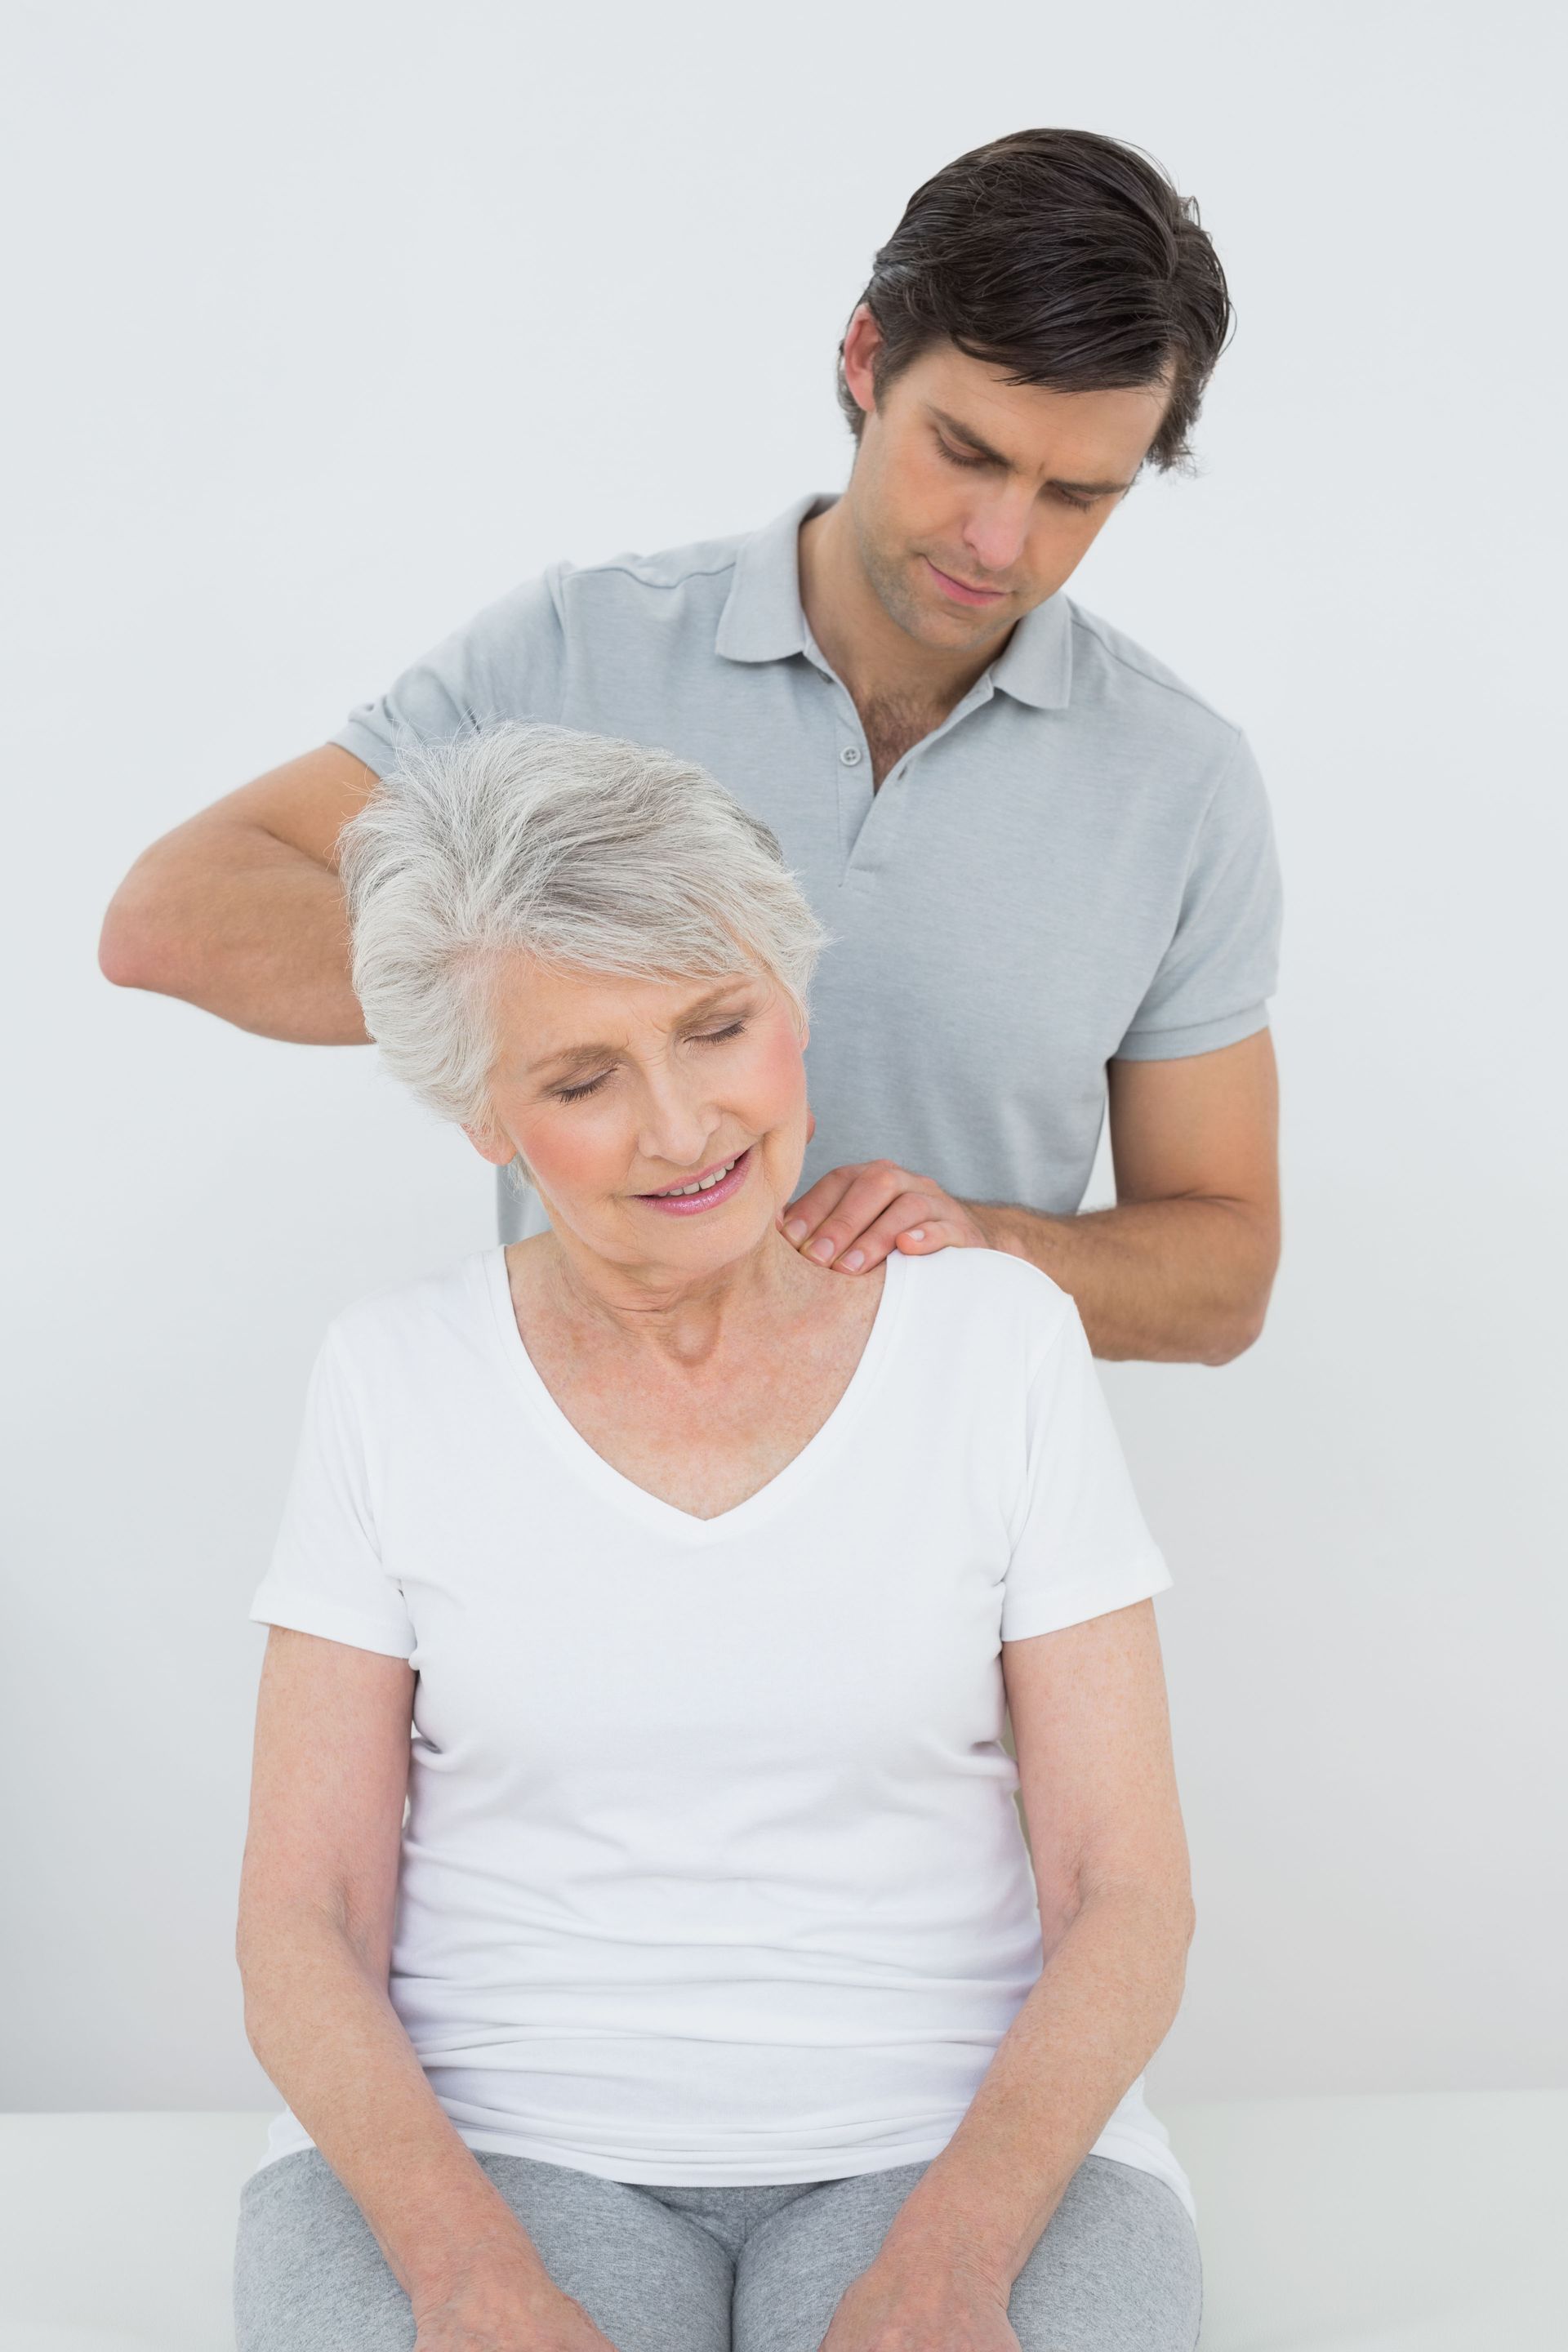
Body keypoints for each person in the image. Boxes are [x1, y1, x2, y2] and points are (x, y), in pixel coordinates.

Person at [234, 724, 1203, 2350]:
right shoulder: (391, 1378)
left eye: (717, 1027)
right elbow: (300, 1922)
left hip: (954, 2154)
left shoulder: (997, 1345)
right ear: (487, 1117)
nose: (683, 1129)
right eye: (582, 1078)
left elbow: (1128, 1890)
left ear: (795, 1000)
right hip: (494, 2152)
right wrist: (471, 2282)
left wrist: (954, 2268)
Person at [99, 126, 1282, 1367]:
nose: (998, 541)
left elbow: (1225, 1276)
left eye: (1075, 496)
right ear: (869, 358)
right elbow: (175, 915)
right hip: (585, 1477)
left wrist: (992, 1248)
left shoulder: (1181, 780)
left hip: (951, 1519)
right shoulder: (579, 651)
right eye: (967, 452)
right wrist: (560, 997)